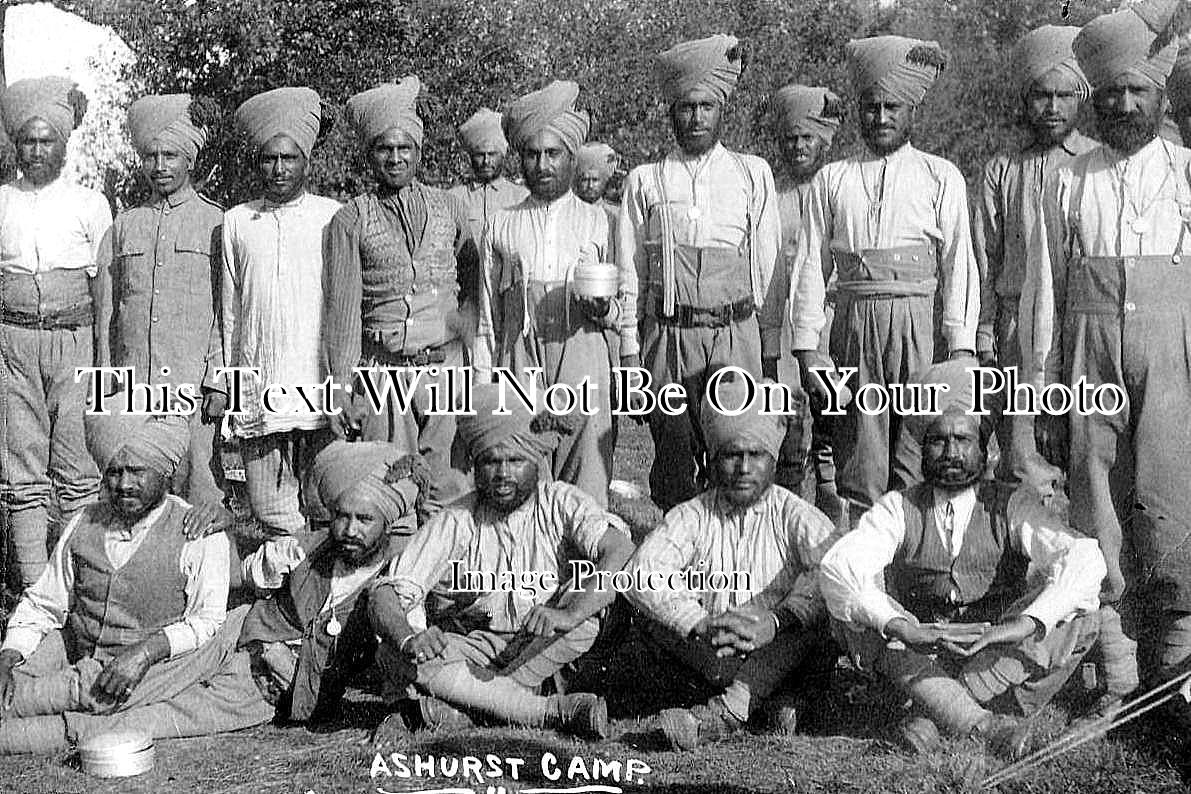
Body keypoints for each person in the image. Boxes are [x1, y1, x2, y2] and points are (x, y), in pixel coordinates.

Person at [1019, 0, 1191, 700]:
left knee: (1172, 495)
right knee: (1097, 496)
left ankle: (1177, 664)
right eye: (1111, 91)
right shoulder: (1067, 178)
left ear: (1160, 93)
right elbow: (1043, 291)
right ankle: (1117, 674)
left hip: (1174, 356)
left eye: (1136, 90)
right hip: (1088, 354)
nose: (1123, 102)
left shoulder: (1185, 173)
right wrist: (1045, 385)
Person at [819, 359, 1104, 759]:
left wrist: (1021, 625)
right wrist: (902, 626)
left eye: (963, 440)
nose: (951, 452)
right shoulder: (898, 508)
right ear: (922, 447)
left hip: (992, 648)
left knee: (1080, 614)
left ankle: (934, 713)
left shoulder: (1012, 504)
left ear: (984, 449)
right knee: (849, 609)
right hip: (920, 649)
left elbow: (1084, 557)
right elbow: (840, 566)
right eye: (939, 440)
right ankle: (983, 724)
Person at [368, 385, 634, 739]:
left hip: (547, 642)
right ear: (476, 464)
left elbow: (619, 549)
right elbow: (386, 591)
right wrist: (409, 639)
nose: (503, 474)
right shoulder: (460, 516)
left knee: (591, 613)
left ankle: (476, 705)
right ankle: (545, 712)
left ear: (536, 460)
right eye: (491, 461)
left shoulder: (559, 501)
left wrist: (567, 613)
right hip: (480, 648)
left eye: (515, 460)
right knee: (393, 654)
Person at [0, 411, 273, 753]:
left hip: (152, 670)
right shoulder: (85, 521)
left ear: (165, 474)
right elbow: (44, 603)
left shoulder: (198, 532)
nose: (124, 485)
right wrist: (8, 657)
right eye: (114, 472)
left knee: (66, 703)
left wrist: (145, 652)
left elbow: (206, 621)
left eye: (137, 472)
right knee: (17, 682)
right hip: (81, 658)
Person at [789, 35, 980, 519]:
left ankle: (919, 569)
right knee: (859, 450)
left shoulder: (941, 176)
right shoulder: (833, 179)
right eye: (871, 107)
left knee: (920, 447)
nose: (881, 117)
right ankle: (861, 572)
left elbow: (960, 261)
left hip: (919, 325)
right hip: (854, 326)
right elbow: (811, 263)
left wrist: (959, 347)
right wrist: (809, 345)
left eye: (892, 106)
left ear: (912, 109)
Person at [625, 377, 841, 750]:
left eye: (755, 455)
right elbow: (641, 574)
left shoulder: (794, 515)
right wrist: (699, 623)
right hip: (710, 648)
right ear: (713, 459)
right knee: (650, 626)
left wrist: (776, 621)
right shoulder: (691, 515)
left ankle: (725, 713)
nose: (743, 468)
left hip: (779, 642)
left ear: (773, 462)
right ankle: (769, 704)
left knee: (816, 621)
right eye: (732, 455)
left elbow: (835, 567)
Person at [619, 34, 783, 511]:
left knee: (733, 455)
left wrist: (768, 351)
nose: (696, 118)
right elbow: (631, 271)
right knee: (672, 457)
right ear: (671, 112)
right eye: (687, 107)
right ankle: (675, 569)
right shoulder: (646, 179)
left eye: (706, 106)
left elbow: (768, 268)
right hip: (668, 337)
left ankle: (730, 571)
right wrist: (631, 353)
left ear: (722, 109)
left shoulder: (751, 173)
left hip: (735, 334)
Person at [322, 77, 477, 491]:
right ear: (369, 156)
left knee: (448, 490)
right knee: (390, 488)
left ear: (419, 152)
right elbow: (342, 314)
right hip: (384, 374)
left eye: (403, 147)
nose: (394, 158)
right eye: (383, 149)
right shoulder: (351, 220)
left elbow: (474, 276)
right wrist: (340, 388)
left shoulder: (449, 207)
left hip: (445, 373)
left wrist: (469, 333)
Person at [476, 81, 621, 506]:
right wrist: (486, 380)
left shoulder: (598, 222)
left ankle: (588, 565)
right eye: (532, 154)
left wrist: (603, 308)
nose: (542, 165)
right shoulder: (502, 223)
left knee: (587, 464)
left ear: (572, 158)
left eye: (553, 153)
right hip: (519, 353)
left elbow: (620, 302)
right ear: (520, 159)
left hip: (582, 349)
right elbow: (488, 311)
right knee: (525, 462)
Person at [973, 26, 1096, 490]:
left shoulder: (1096, 162)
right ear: (1026, 100)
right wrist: (985, 334)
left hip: (1079, 324)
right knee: (1020, 454)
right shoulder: (1002, 169)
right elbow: (987, 256)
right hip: (1012, 329)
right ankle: (1017, 553)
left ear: (1079, 99)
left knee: (1082, 446)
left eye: (1064, 95)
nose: (1052, 108)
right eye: (1042, 95)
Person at [0, 76, 109, 588]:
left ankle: (78, 586)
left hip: (74, 341)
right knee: (20, 469)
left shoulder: (90, 204)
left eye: (47, 141)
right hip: (13, 343)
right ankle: (29, 592)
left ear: (64, 146)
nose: (37, 151)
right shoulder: (3, 201)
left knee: (77, 465)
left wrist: (103, 356)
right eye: (28, 141)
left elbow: (105, 287)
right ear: (15, 146)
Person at [96, 93, 229, 505]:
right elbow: (107, 316)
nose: (160, 166)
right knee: (137, 498)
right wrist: (106, 380)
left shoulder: (217, 222)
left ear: (189, 159)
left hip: (192, 390)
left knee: (199, 497)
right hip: (134, 391)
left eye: (170, 155)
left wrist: (218, 377)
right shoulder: (124, 226)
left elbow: (229, 312)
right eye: (151, 156)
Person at [237, 440, 428, 724]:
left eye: (364, 519)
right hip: (253, 655)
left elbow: (408, 633)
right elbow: (248, 575)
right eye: (341, 516)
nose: (350, 530)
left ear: (387, 523)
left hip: (301, 684)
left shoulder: (397, 572)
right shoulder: (303, 549)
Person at [223, 86, 339, 538]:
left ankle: (323, 597)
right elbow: (232, 313)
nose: (279, 169)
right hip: (260, 385)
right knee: (270, 510)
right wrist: (230, 386)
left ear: (306, 160)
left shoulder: (332, 216)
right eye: (269, 159)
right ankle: (285, 591)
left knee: (324, 501)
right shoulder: (237, 221)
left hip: (316, 385)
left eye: (289, 158)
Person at [769, 84, 844, 526]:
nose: (799, 147)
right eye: (791, 138)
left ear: (823, 141)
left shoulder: (837, 187)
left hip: (832, 323)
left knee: (833, 426)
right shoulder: (769, 195)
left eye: (807, 138)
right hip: (781, 323)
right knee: (789, 425)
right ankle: (788, 524)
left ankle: (835, 524)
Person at [447, 107, 529, 244]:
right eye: (480, 155)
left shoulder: (521, 197)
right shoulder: (453, 198)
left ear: (502, 156)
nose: (486, 161)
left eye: (492, 154)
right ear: (470, 158)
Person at [574, 142, 619, 219]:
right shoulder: (568, 213)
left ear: (604, 181)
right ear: (577, 181)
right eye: (585, 180)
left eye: (595, 180)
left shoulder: (615, 215)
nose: (590, 185)